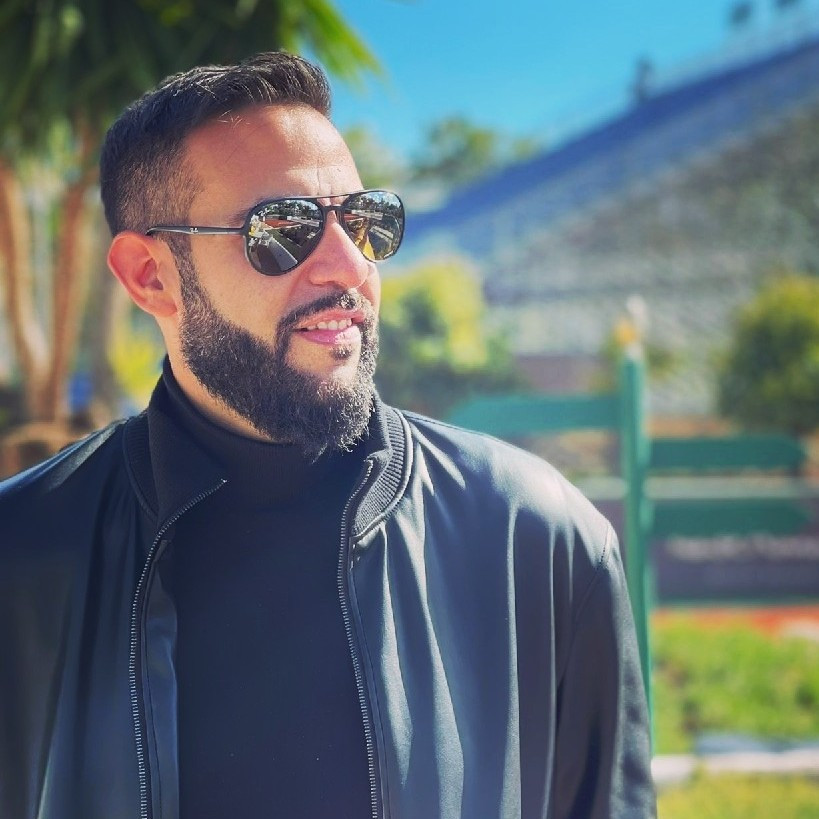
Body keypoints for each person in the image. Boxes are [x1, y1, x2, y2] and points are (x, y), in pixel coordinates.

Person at [0, 52, 655, 819]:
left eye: (365, 221)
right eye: (283, 229)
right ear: (150, 275)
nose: (348, 266)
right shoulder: (22, 559)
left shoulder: (538, 539)